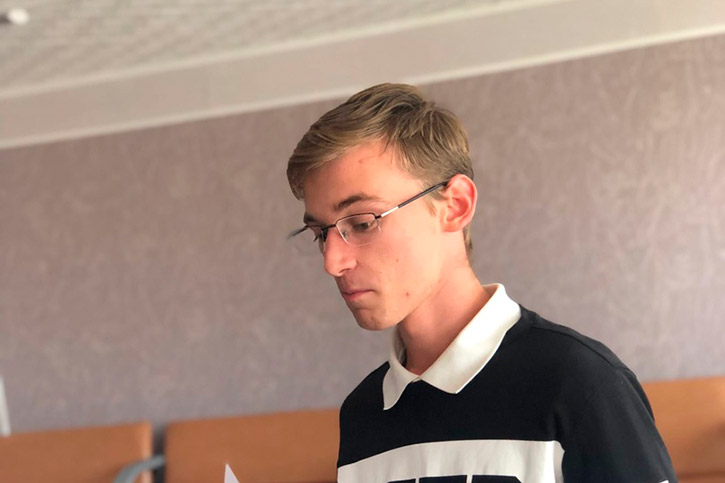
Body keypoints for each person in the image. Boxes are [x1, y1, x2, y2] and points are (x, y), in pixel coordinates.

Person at [286, 83, 676, 483]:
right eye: (321, 234)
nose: (332, 262)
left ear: (455, 206)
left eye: (362, 223)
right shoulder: (362, 414)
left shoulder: (581, 384)